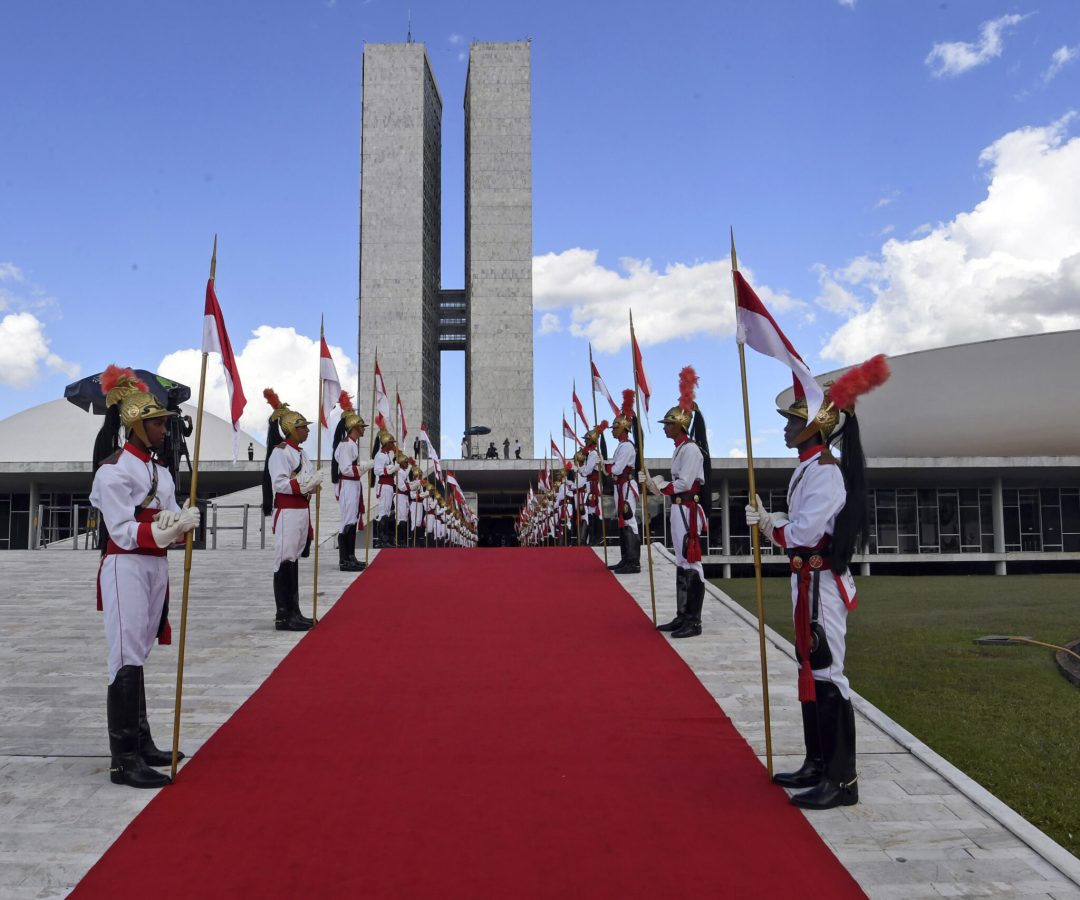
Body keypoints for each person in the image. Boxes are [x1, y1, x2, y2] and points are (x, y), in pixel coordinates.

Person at [745, 355, 888, 810]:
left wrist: (769, 525)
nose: (787, 428)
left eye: (794, 422)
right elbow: (805, 525)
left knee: (828, 675)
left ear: (815, 429)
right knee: (810, 670)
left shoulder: (825, 471)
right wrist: (779, 520)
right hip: (808, 582)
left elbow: (805, 535)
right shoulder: (810, 467)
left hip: (821, 584)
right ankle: (817, 762)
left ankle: (841, 779)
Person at [90, 366, 200, 788]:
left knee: (140, 651)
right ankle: (124, 759)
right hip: (127, 564)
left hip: (155, 564)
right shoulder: (113, 470)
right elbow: (120, 530)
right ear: (136, 424)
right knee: (125, 657)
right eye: (157, 423)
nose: (163, 430)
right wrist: (165, 529)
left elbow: (167, 513)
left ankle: (143, 740)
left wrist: (182, 523)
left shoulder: (162, 471)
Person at [646, 367, 709, 639]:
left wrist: (659, 487)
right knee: (682, 561)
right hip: (679, 508)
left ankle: (693, 620)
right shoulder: (681, 449)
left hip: (686, 508)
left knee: (690, 561)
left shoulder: (691, 449)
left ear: (681, 425)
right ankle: (683, 615)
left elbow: (684, 483)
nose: (666, 428)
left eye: (669, 424)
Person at [261, 388, 320, 632]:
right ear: (292, 429)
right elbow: (279, 483)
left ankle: (295, 610)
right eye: (303, 427)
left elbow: (305, 479)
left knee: (294, 559)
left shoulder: (302, 453)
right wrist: (304, 484)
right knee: (284, 560)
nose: (307, 430)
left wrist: (311, 485)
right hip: (287, 511)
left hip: (301, 509)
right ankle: (283, 614)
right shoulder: (281, 452)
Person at [332, 396, 372, 571]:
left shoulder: (351, 444)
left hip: (353, 485)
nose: (363, 430)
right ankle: (345, 559)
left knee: (353, 520)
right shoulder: (348, 445)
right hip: (348, 484)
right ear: (355, 427)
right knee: (348, 521)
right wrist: (364, 467)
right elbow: (346, 469)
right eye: (361, 427)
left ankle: (350, 556)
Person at [606, 389, 640, 573]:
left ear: (623, 427)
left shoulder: (627, 446)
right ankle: (625, 559)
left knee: (629, 521)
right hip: (621, 486)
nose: (613, 430)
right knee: (623, 521)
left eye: (615, 427)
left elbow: (617, 469)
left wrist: (606, 468)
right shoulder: (621, 446)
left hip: (626, 486)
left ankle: (633, 562)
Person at [579, 421, 607, 545]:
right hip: (592, 484)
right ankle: (594, 537)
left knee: (594, 510)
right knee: (591, 511)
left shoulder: (593, 454)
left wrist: (580, 467)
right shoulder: (593, 453)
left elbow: (586, 471)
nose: (585, 442)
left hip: (594, 484)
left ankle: (597, 537)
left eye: (586, 440)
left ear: (591, 441)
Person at [372, 430, 399, 547]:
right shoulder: (380, 455)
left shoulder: (387, 455)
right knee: (383, 511)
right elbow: (377, 470)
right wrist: (389, 470)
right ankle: (381, 539)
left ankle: (386, 538)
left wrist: (392, 471)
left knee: (387, 511)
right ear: (386, 444)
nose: (393, 445)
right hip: (384, 485)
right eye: (391, 443)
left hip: (389, 485)